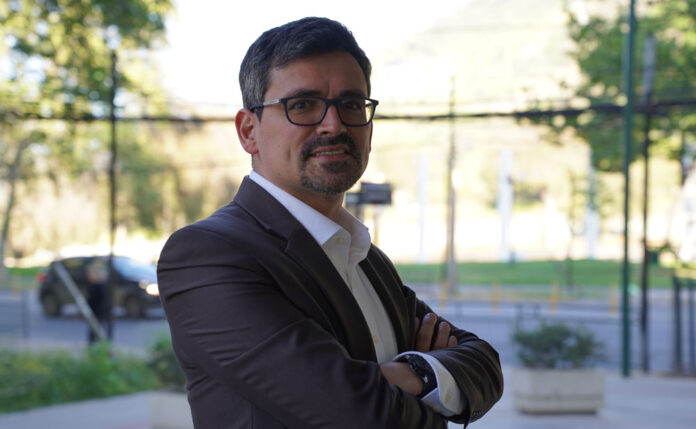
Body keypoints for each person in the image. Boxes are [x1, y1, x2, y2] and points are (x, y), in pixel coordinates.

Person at [157, 17, 503, 429]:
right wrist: (430, 389)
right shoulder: (208, 256)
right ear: (249, 131)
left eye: (351, 105)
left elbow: (485, 364)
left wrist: (415, 373)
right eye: (302, 105)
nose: (334, 125)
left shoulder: (365, 258)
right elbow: (356, 415)